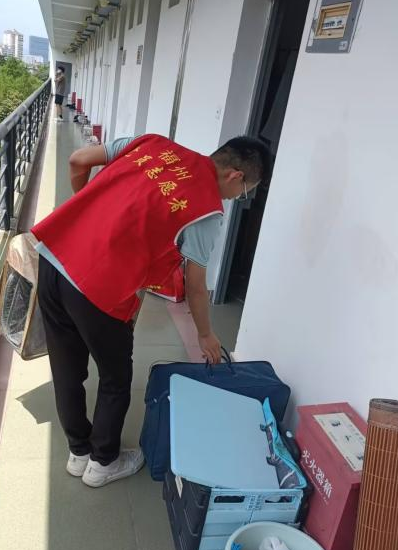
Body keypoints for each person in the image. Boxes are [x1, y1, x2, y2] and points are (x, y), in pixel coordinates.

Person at [32, 133, 271, 488]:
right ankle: (102, 463)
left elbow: (78, 160)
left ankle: (78, 452)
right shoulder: (207, 211)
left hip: (53, 257)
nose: (238, 197)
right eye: (245, 191)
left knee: (67, 368)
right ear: (236, 175)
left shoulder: (154, 144)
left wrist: (87, 217)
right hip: (96, 286)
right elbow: (195, 285)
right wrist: (206, 334)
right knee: (115, 377)